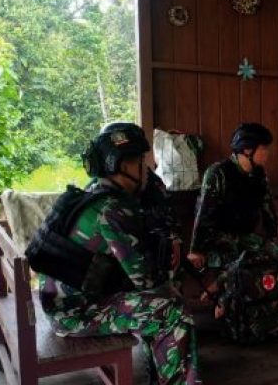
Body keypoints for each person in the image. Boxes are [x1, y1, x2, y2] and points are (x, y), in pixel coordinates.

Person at [38, 123, 202, 384]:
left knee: (162, 299)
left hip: (63, 303)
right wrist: (167, 265)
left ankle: (161, 373)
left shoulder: (94, 193)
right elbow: (146, 281)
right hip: (75, 314)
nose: (146, 170)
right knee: (172, 308)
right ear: (125, 165)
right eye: (142, 162)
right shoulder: (113, 209)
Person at [188, 122, 278, 319]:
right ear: (247, 150)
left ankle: (222, 288)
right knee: (245, 257)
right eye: (263, 148)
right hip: (218, 239)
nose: (267, 153)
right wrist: (196, 250)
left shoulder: (258, 174)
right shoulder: (218, 173)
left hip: (245, 237)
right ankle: (224, 299)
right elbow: (204, 213)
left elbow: (269, 210)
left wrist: (274, 239)